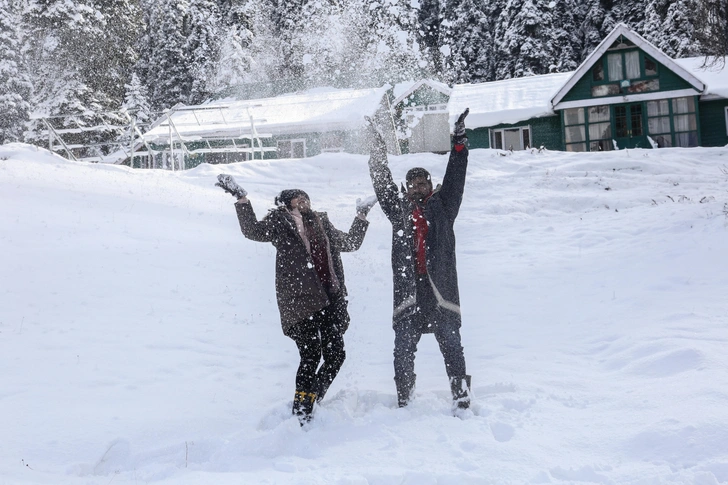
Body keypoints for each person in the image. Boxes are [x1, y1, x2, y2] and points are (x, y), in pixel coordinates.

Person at [215, 174, 377, 424]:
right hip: (300, 301)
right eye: (297, 198)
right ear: (286, 204)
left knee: (336, 355)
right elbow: (252, 230)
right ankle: (302, 411)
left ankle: (313, 398)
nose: (304, 201)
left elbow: (351, 242)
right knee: (311, 354)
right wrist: (241, 198)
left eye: (306, 198)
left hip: (329, 300)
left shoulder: (322, 223)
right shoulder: (280, 223)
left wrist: (361, 215)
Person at [366, 109, 472, 411]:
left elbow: (456, 177)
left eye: (422, 183)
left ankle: (462, 399)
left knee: (452, 346)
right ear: (407, 188)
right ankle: (405, 401)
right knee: (402, 351)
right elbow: (381, 181)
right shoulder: (398, 211)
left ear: (430, 184)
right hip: (408, 294)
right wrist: (376, 147)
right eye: (412, 184)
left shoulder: (444, 207)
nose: (417, 188)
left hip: (440, 292)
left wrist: (459, 141)